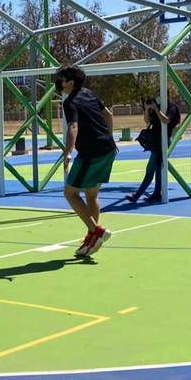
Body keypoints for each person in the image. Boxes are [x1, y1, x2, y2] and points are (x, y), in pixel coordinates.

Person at [56, 66, 117, 258]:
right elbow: (109, 115)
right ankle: (91, 239)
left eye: (62, 79)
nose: (58, 82)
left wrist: (68, 152)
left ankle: (96, 230)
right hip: (108, 149)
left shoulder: (70, 102)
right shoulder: (89, 94)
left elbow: (73, 127)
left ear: (70, 82)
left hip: (91, 153)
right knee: (92, 195)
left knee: (70, 193)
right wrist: (109, 136)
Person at [127, 98, 181, 203]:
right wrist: (147, 109)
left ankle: (137, 196)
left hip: (163, 142)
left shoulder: (172, 108)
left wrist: (156, 109)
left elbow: (166, 120)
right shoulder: (158, 108)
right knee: (157, 169)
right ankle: (156, 194)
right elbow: (147, 121)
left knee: (150, 169)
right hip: (155, 142)